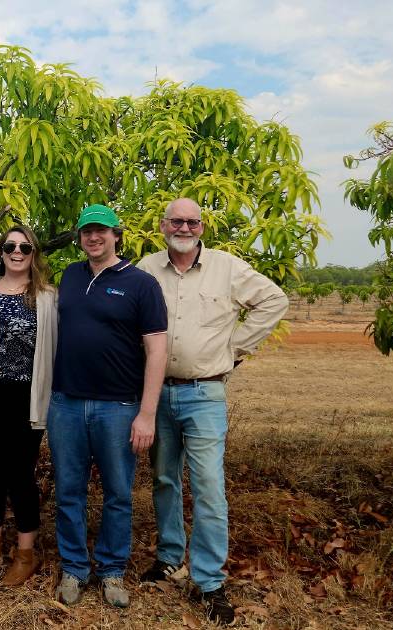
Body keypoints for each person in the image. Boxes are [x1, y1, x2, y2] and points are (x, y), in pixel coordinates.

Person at [136, 197, 289, 625]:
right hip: (157, 393)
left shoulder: (227, 267)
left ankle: (208, 580)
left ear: (201, 227)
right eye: (176, 221)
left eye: (192, 222)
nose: (183, 228)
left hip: (205, 394)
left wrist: (236, 348)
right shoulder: (146, 270)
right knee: (165, 478)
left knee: (207, 485)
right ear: (163, 225)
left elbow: (274, 301)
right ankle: (169, 558)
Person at [48, 203, 168, 608]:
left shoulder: (141, 284)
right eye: (86, 231)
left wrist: (146, 413)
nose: (93, 237)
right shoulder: (70, 275)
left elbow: (157, 350)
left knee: (118, 492)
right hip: (66, 403)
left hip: (118, 406)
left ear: (116, 235)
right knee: (68, 490)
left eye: (100, 231)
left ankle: (113, 571)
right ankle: (75, 568)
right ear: (79, 237)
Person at [0, 226, 57, 586]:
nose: (17, 252)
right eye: (10, 246)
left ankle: (25, 553)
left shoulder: (48, 298)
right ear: (1, 252)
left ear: (34, 252)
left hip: (27, 395)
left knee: (21, 473)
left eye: (25, 246)